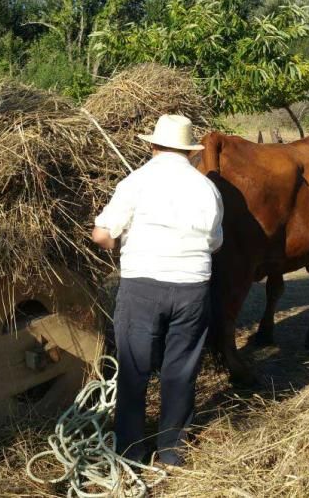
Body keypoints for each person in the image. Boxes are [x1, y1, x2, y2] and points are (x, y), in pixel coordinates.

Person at [91, 114, 223, 467]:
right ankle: (172, 450)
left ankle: (131, 451)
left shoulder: (135, 182)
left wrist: (117, 240)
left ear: (152, 146)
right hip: (192, 288)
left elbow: (102, 236)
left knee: (134, 369)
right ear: (190, 153)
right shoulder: (207, 188)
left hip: (142, 288)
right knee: (180, 369)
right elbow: (214, 243)